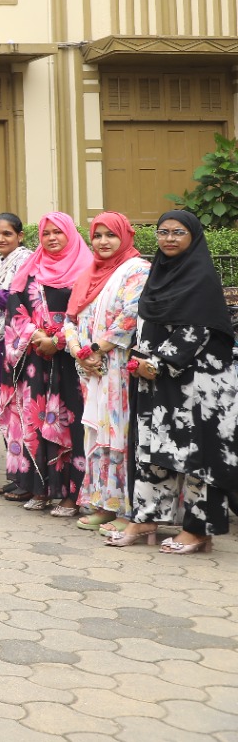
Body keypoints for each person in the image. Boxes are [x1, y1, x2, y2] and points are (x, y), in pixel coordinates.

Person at [106, 211, 238, 553]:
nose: (169, 238)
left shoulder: (202, 277)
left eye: (178, 232)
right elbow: (146, 325)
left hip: (199, 385)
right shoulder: (158, 274)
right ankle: (145, 518)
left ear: (193, 236)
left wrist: (157, 363)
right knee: (152, 448)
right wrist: (139, 359)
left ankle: (198, 530)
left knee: (197, 455)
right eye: (163, 232)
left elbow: (199, 329)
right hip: (155, 379)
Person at [60, 211, 146, 531]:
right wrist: (78, 351)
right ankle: (103, 503)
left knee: (119, 434)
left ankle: (126, 509)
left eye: (111, 235)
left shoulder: (137, 270)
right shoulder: (89, 273)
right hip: (91, 371)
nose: (103, 242)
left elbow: (129, 317)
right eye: (97, 235)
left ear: (125, 236)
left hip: (120, 369)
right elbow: (70, 319)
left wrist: (96, 349)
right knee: (96, 433)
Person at [4, 211, 91, 515]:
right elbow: (15, 305)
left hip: (70, 361)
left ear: (70, 234)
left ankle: (70, 496)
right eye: (46, 233)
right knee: (35, 422)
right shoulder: (31, 268)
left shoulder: (86, 268)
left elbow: (89, 312)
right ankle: (40, 488)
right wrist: (36, 334)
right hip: (36, 359)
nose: (52, 238)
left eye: (58, 232)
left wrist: (59, 340)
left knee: (70, 424)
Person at [0, 212, 32, 494]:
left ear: (20, 236)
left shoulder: (25, 260)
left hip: (15, 343)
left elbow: (17, 299)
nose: (0, 239)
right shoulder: (2, 261)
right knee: (6, 412)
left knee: (18, 411)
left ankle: (27, 479)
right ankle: (16, 476)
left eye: (7, 234)